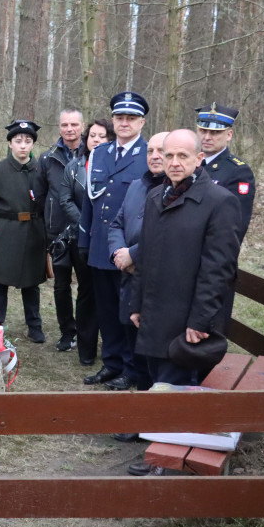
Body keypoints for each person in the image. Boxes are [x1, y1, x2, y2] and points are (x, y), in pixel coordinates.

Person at [130, 129, 241, 386]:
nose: (174, 162)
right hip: (153, 317)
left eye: (183, 155)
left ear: (199, 158)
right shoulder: (156, 197)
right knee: (153, 382)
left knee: (174, 392)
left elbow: (218, 270)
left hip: (186, 322)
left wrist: (200, 321)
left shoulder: (220, 202)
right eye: (169, 155)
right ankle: (147, 427)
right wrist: (136, 303)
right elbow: (144, 256)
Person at [79, 92, 150, 390]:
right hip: (99, 246)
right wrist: (84, 239)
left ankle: (130, 369)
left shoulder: (150, 154)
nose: (124, 123)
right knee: (105, 312)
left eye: (131, 118)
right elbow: (90, 200)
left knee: (127, 314)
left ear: (141, 122)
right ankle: (111, 364)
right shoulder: (101, 152)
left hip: (128, 250)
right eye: (119, 117)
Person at [101, 131, 168, 395]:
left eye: (162, 151)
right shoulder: (139, 186)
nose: (155, 156)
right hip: (130, 277)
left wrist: (134, 255)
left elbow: (168, 232)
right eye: (150, 151)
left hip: (157, 283)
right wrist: (120, 253)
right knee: (131, 339)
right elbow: (118, 222)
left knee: (153, 355)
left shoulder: (176, 190)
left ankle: (149, 416)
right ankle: (139, 404)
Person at [0, 119, 47, 342]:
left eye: (28, 141)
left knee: (31, 283)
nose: (23, 146)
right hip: (4, 232)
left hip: (34, 232)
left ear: (33, 144)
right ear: (10, 144)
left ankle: (34, 325)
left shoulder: (41, 170)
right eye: (18, 141)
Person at [59, 118, 113, 366]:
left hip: (110, 239)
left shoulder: (116, 166)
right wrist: (85, 224)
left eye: (102, 136)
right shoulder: (73, 166)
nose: (96, 140)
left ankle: (112, 345)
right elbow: (65, 200)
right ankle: (86, 348)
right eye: (92, 135)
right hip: (81, 239)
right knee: (86, 292)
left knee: (109, 294)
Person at [37, 109, 85, 352]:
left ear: (82, 126)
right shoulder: (48, 159)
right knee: (61, 286)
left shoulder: (93, 156)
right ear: (59, 127)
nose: (69, 129)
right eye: (65, 124)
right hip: (58, 233)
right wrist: (46, 228)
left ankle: (86, 332)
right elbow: (40, 196)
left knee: (87, 287)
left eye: (74, 124)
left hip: (86, 232)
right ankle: (68, 332)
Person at [195, 103, 255, 242]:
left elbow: (234, 227)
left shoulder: (238, 171)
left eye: (215, 132)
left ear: (229, 135)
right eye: (203, 131)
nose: (207, 137)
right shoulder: (189, 163)